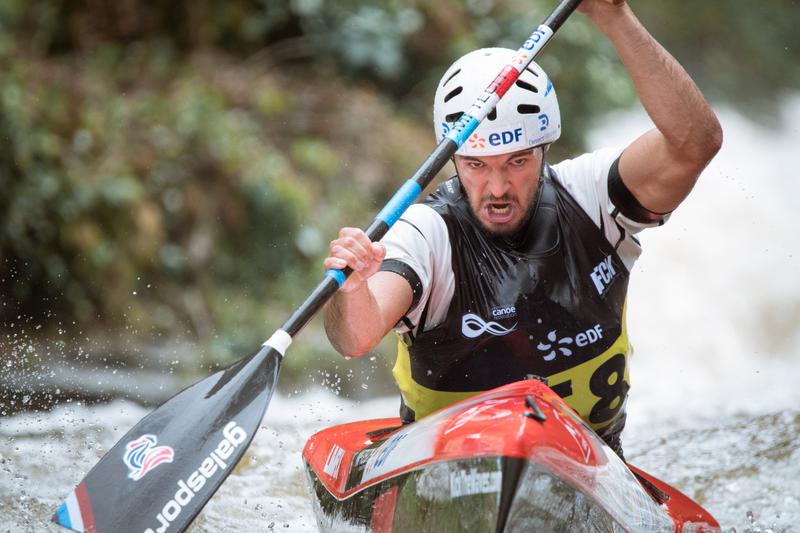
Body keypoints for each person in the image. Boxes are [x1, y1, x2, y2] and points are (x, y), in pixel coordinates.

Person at [322, 0, 722, 458]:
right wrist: (351, 290)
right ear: (453, 159)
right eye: (475, 165)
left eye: (516, 162)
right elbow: (354, 339)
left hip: (592, 469)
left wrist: (614, 16)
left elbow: (695, 143)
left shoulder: (590, 197)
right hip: (445, 473)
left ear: (543, 149)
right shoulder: (425, 233)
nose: (496, 188)